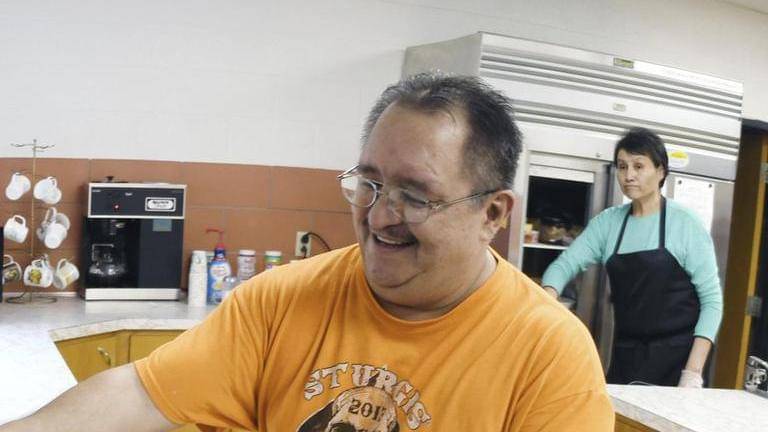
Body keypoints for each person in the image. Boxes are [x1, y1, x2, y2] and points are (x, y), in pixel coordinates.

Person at [1, 73, 614, 431]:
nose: (379, 216)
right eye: (369, 183)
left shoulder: (548, 354)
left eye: (415, 196)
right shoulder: (281, 300)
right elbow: (141, 395)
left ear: (493, 214)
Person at [541, 127, 723, 388]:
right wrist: (546, 301)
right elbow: (563, 265)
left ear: (661, 171)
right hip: (626, 355)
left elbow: (712, 302)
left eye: (639, 166)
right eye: (622, 166)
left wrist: (692, 372)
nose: (629, 176)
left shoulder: (685, 223)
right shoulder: (608, 223)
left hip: (678, 359)